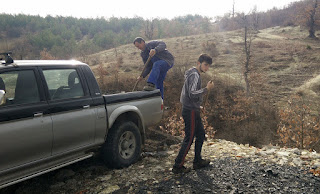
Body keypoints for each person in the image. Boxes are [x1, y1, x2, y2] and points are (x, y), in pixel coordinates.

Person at [172, 53, 214, 174]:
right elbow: (192, 94)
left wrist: (198, 106)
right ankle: (177, 166)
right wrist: (207, 89)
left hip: (192, 108)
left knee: (200, 134)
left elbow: (190, 94)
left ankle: (197, 161)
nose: (207, 68)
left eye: (208, 66)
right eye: (205, 65)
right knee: (189, 138)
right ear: (198, 63)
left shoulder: (192, 73)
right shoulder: (195, 75)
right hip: (189, 110)